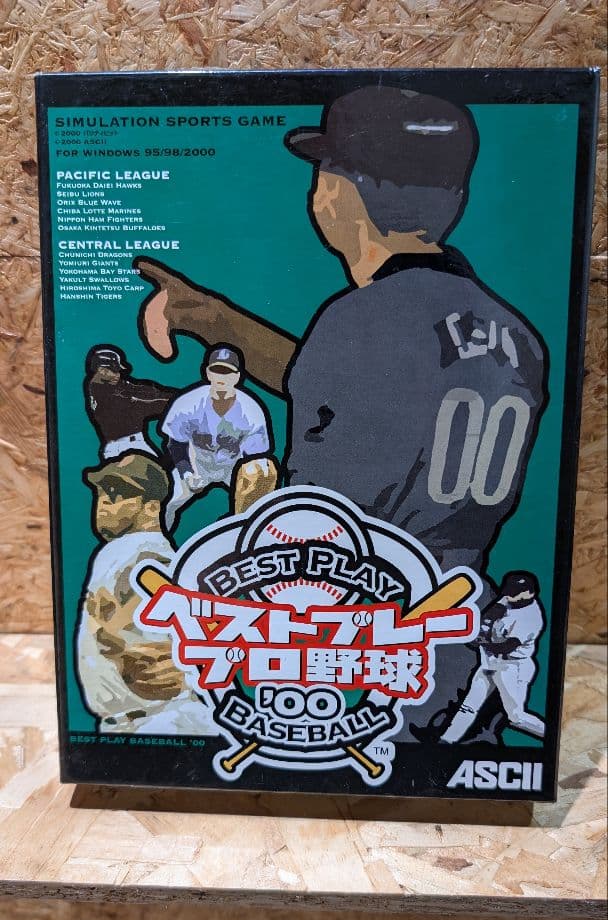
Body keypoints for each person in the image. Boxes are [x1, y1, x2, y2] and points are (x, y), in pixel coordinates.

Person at [133, 85, 548, 734]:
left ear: (336, 196)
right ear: (455, 198)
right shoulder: (514, 335)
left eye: (323, 172)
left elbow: (312, 513)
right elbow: (378, 391)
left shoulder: (361, 320)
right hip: (459, 626)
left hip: (359, 649)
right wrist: (211, 317)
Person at [77, 453, 217, 735]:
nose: (105, 502)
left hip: (158, 721)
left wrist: (182, 667)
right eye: (103, 493)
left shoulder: (143, 552)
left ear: (151, 506)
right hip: (146, 719)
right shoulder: (124, 551)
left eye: (119, 494)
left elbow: (197, 624)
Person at [162, 344, 275, 529]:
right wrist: (187, 473)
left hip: (232, 465)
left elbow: (255, 459)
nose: (221, 377)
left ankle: (250, 538)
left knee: (259, 484)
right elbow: (176, 444)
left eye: (227, 372)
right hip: (198, 463)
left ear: (237, 377)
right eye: (217, 371)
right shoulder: (189, 403)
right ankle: (160, 542)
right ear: (208, 373)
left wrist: (248, 488)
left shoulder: (251, 410)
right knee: (165, 503)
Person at [440, 572, 545, 743]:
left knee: (516, 717)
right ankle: (446, 741)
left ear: (529, 593)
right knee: (468, 707)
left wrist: (480, 642)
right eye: (508, 592)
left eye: (514, 593)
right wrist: (479, 633)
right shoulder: (510, 599)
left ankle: (552, 735)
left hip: (513, 667)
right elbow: (489, 617)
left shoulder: (531, 617)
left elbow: (505, 647)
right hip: (490, 663)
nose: (508, 596)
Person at [85, 344, 175, 460]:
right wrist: (175, 402)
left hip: (128, 445)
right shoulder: (101, 392)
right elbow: (142, 406)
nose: (118, 375)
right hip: (125, 448)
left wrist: (176, 395)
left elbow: (139, 390)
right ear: (102, 370)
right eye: (114, 371)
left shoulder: (109, 384)